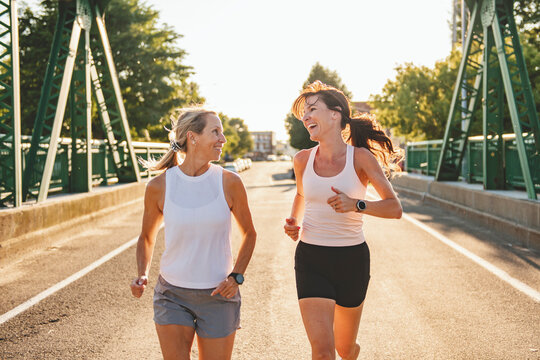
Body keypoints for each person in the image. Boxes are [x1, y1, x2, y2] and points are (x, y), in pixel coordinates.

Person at [283, 81, 403, 360]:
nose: (306, 117)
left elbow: (394, 208)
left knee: (345, 349)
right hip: (311, 258)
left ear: (335, 114)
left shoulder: (359, 158)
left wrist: (356, 205)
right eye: (304, 112)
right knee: (323, 352)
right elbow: (302, 195)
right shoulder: (301, 160)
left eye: (313, 109)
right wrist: (293, 222)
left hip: (352, 260)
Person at [130, 107, 256, 360]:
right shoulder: (159, 186)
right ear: (193, 137)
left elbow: (250, 234)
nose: (223, 139)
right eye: (216, 132)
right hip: (172, 295)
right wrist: (142, 273)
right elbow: (146, 236)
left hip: (220, 294)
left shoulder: (230, 182)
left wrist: (236, 277)